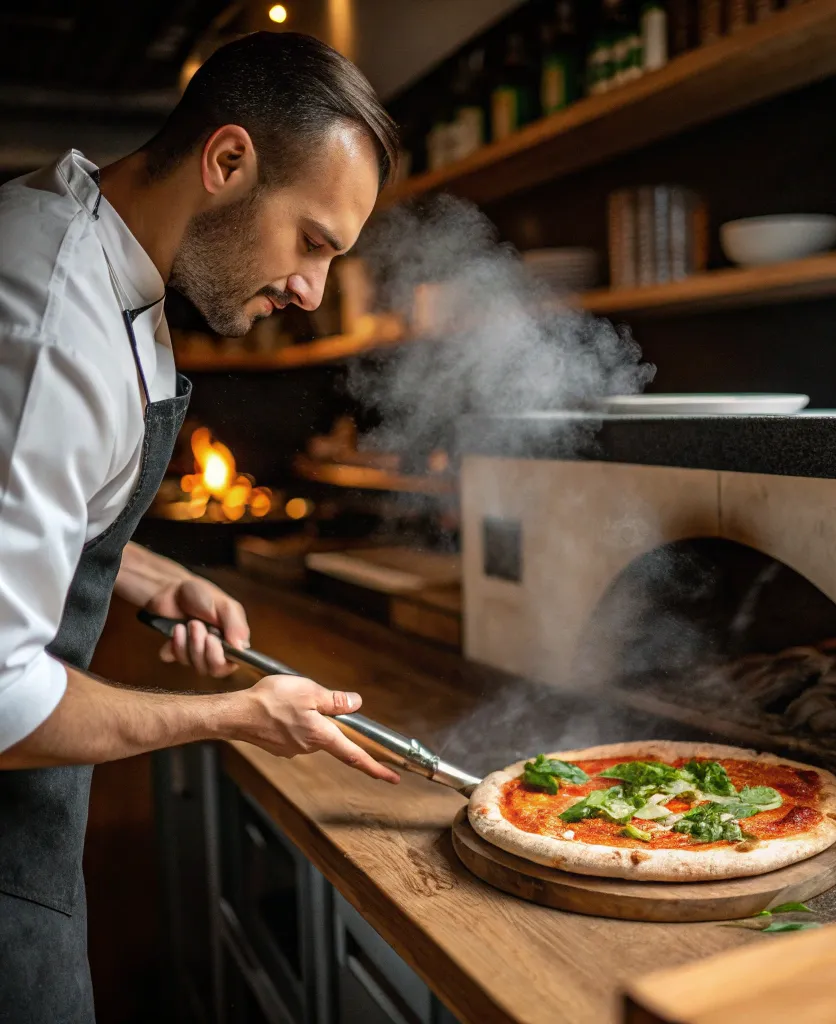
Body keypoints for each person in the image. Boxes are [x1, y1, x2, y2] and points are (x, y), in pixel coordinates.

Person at [0, 31, 402, 1023]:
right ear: (226, 163)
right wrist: (235, 715)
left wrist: (143, 575)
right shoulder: (55, 322)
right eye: (312, 240)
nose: (311, 289)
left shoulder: (92, 238)